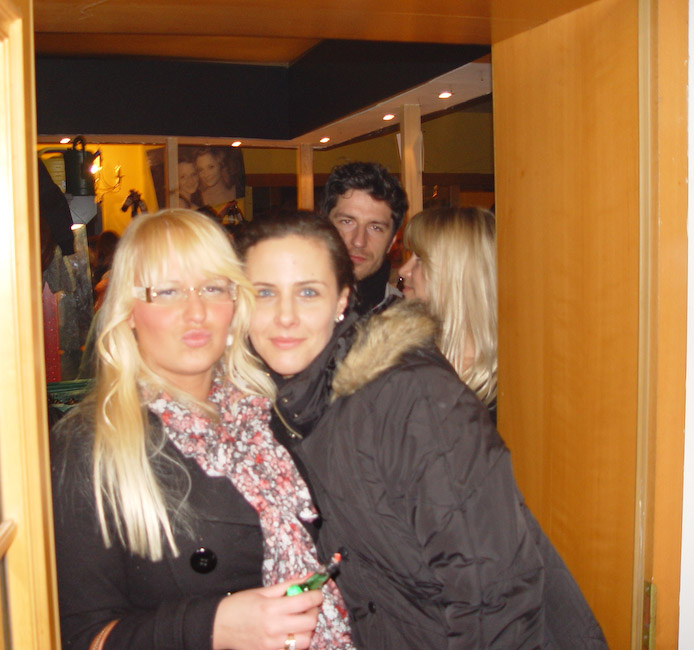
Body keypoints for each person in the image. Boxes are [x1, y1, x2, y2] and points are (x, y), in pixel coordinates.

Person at [236, 212, 607, 650]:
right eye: (264, 292)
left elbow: (493, 592)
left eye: (308, 292)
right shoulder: (287, 405)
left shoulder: (412, 396)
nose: (285, 317)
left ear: (342, 301)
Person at [51, 209, 352, 650]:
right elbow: (81, 637)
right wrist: (213, 626)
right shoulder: (89, 443)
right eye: (167, 291)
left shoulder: (277, 408)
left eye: (213, 288)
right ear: (129, 310)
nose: (196, 312)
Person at [399, 206, 498, 417]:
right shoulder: (402, 358)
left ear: (457, 271)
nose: (403, 270)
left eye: (419, 258)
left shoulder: (516, 381)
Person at [320, 161, 408, 316]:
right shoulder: (285, 311)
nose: (359, 241)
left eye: (375, 228)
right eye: (347, 222)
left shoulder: (409, 323)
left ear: (392, 242)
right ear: (323, 226)